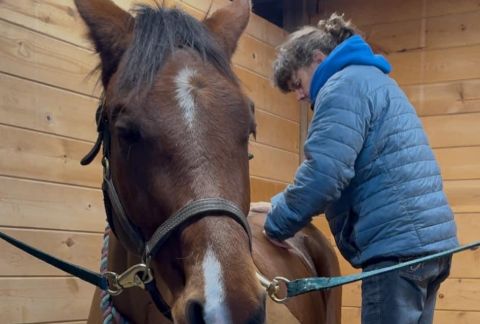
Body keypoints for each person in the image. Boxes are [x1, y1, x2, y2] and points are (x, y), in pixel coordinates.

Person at [261, 13, 459, 324]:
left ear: (318, 58)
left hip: (397, 251)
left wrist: (276, 222)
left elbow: (324, 174)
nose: (299, 96)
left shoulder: (342, 87)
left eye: (297, 83)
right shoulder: (374, 80)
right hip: (430, 249)